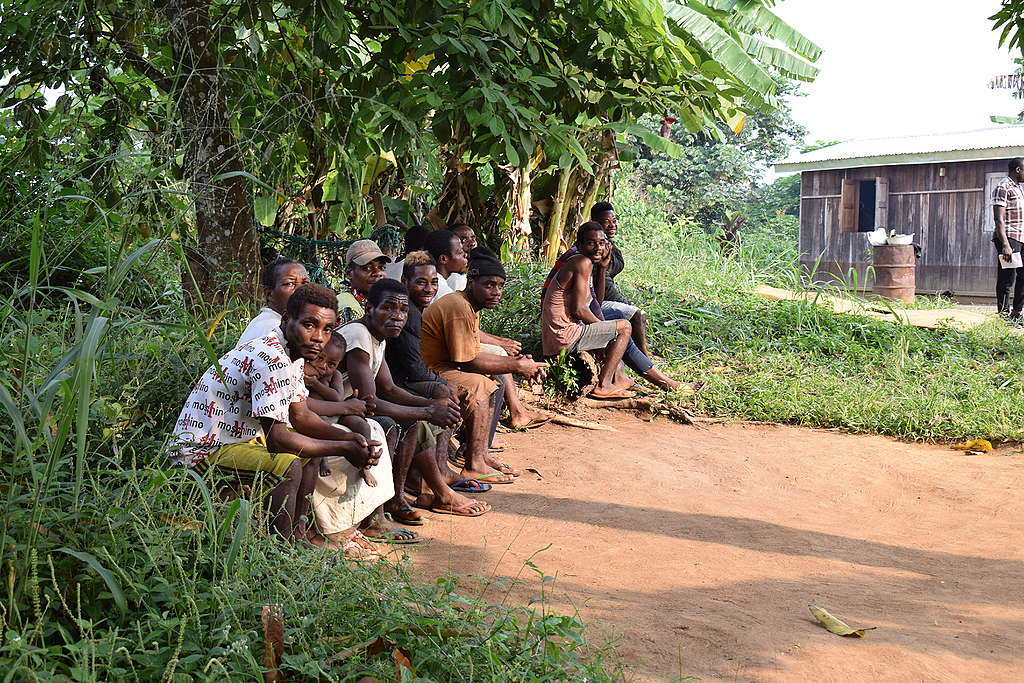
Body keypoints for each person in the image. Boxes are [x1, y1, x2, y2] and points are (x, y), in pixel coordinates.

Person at [167, 283, 386, 549]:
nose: (319, 337)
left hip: (237, 443)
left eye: (327, 329)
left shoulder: (290, 355)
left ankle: (298, 537)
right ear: (286, 319)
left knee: (309, 456)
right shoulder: (272, 359)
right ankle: (279, 554)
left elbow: (301, 415)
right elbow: (278, 440)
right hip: (200, 452)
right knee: (288, 465)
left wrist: (352, 439)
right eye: (309, 324)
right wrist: (344, 446)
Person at [342, 279, 493, 518]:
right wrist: (429, 412)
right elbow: (370, 402)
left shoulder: (376, 336)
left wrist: (432, 405)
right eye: (388, 308)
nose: (397, 316)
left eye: (402, 310)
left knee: (416, 421)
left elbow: (389, 388)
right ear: (369, 308)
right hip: (335, 409)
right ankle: (386, 509)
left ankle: (401, 497)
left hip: (351, 407)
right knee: (399, 423)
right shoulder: (358, 335)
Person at [421, 247, 547, 484]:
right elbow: (468, 360)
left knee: (490, 380)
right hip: (431, 370)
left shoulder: (469, 306)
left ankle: (479, 454)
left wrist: (519, 363)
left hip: (445, 366)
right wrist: (517, 365)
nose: (496, 291)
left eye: (500, 285)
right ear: (471, 282)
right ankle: (474, 464)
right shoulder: (458, 307)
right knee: (479, 385)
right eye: (489, 284)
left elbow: (472, 353)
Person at [541, 222, 635, 399]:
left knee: (613, 325)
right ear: (579, 244)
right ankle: (604, 385)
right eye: (591, 243)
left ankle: (620, 379)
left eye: (601, 242)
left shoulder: (585, 262)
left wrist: (603, 268)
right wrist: (605, 328)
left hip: (562, 335)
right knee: (624, 327)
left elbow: (594, 302)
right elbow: (579, 309)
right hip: (564, 336)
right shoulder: (581, 262)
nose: (598, 248)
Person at [590, 201, 653, 357]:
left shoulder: (608, 245)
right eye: (606, 222)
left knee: (638, 315)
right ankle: (643, 356)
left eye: (614, 221)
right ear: (595, 223)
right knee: (637, 314)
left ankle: (640, 351)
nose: (612, 225)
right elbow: (604, 285)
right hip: (593, 300)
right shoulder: (597, 248)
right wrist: (624, 303)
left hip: (599, 296)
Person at [238, 257, 310, 346]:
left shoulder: (275, 322)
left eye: (305, 283)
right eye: (290, 283)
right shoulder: (273, 328)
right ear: (269, 294)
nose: (301, 290)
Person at [993, 157, 1024, 320]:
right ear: (1018, 169)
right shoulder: (1002, 187)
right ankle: (1003, 315)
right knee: (1007, 278)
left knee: (1022, 276)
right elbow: (999, 219)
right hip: (1008, 238)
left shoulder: (1019, 188)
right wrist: (1005, 244)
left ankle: (1016, 313)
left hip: (1021, 237)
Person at [337, 239, 390, 325]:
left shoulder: (374, 301)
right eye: (367, 268)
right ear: (349, 273)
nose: (378, 273)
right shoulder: (348, 307)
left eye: (381, 267)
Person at [424, 229, 467, 302]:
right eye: (460, 252)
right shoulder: (443, 292)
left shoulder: (428, 280)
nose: (465, 255)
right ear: (443, 259)